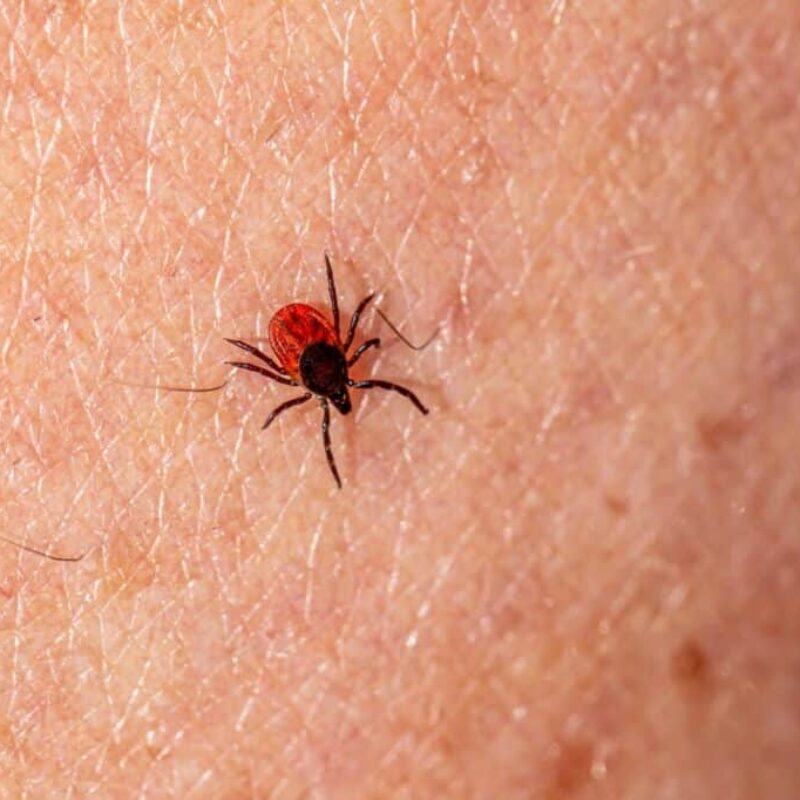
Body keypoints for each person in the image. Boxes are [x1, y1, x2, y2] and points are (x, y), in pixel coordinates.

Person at [1, 2, 797, 795]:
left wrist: (317, 371)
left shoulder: (311, 371)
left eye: (339, 387)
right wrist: (337, 365)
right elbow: (344, 329)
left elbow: (314, 345)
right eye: (340, 386)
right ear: (330, 373)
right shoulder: (336, 355)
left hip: (295, 341)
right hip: (300, 340)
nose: (343, 391)